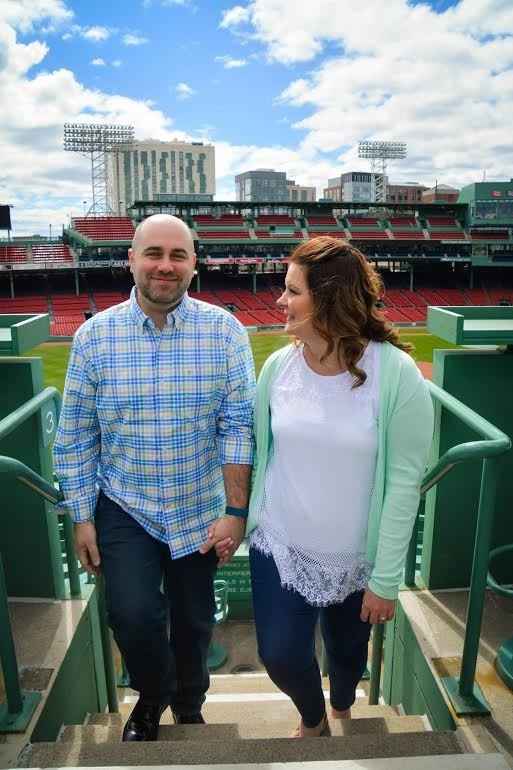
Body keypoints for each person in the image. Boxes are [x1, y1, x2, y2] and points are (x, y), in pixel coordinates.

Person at [53, 214, 255, 741]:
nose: (165, 266)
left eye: (178, 255)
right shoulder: (94, 337)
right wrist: (82, 517)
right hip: (125, 504)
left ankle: (189, 704)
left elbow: (238, 425)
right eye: (153, 253)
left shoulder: (226, 331)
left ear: (193, 264)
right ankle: (154, 694)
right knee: (133, 614)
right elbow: (75, 436)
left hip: (198, 504)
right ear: (132, 260)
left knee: (193, 623)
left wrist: (235, 512)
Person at [246, 236, 434, 738]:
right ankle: (313, 719)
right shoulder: (276, 369)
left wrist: (386, 579)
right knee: (281, 655)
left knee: (348, 658)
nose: (280, 301)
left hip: (357, 558)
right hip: (280, 542)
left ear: (329, 298)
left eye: (293, 291)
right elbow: (261, 453)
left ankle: (344, 703)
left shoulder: (396, 375)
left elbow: (402, 487)